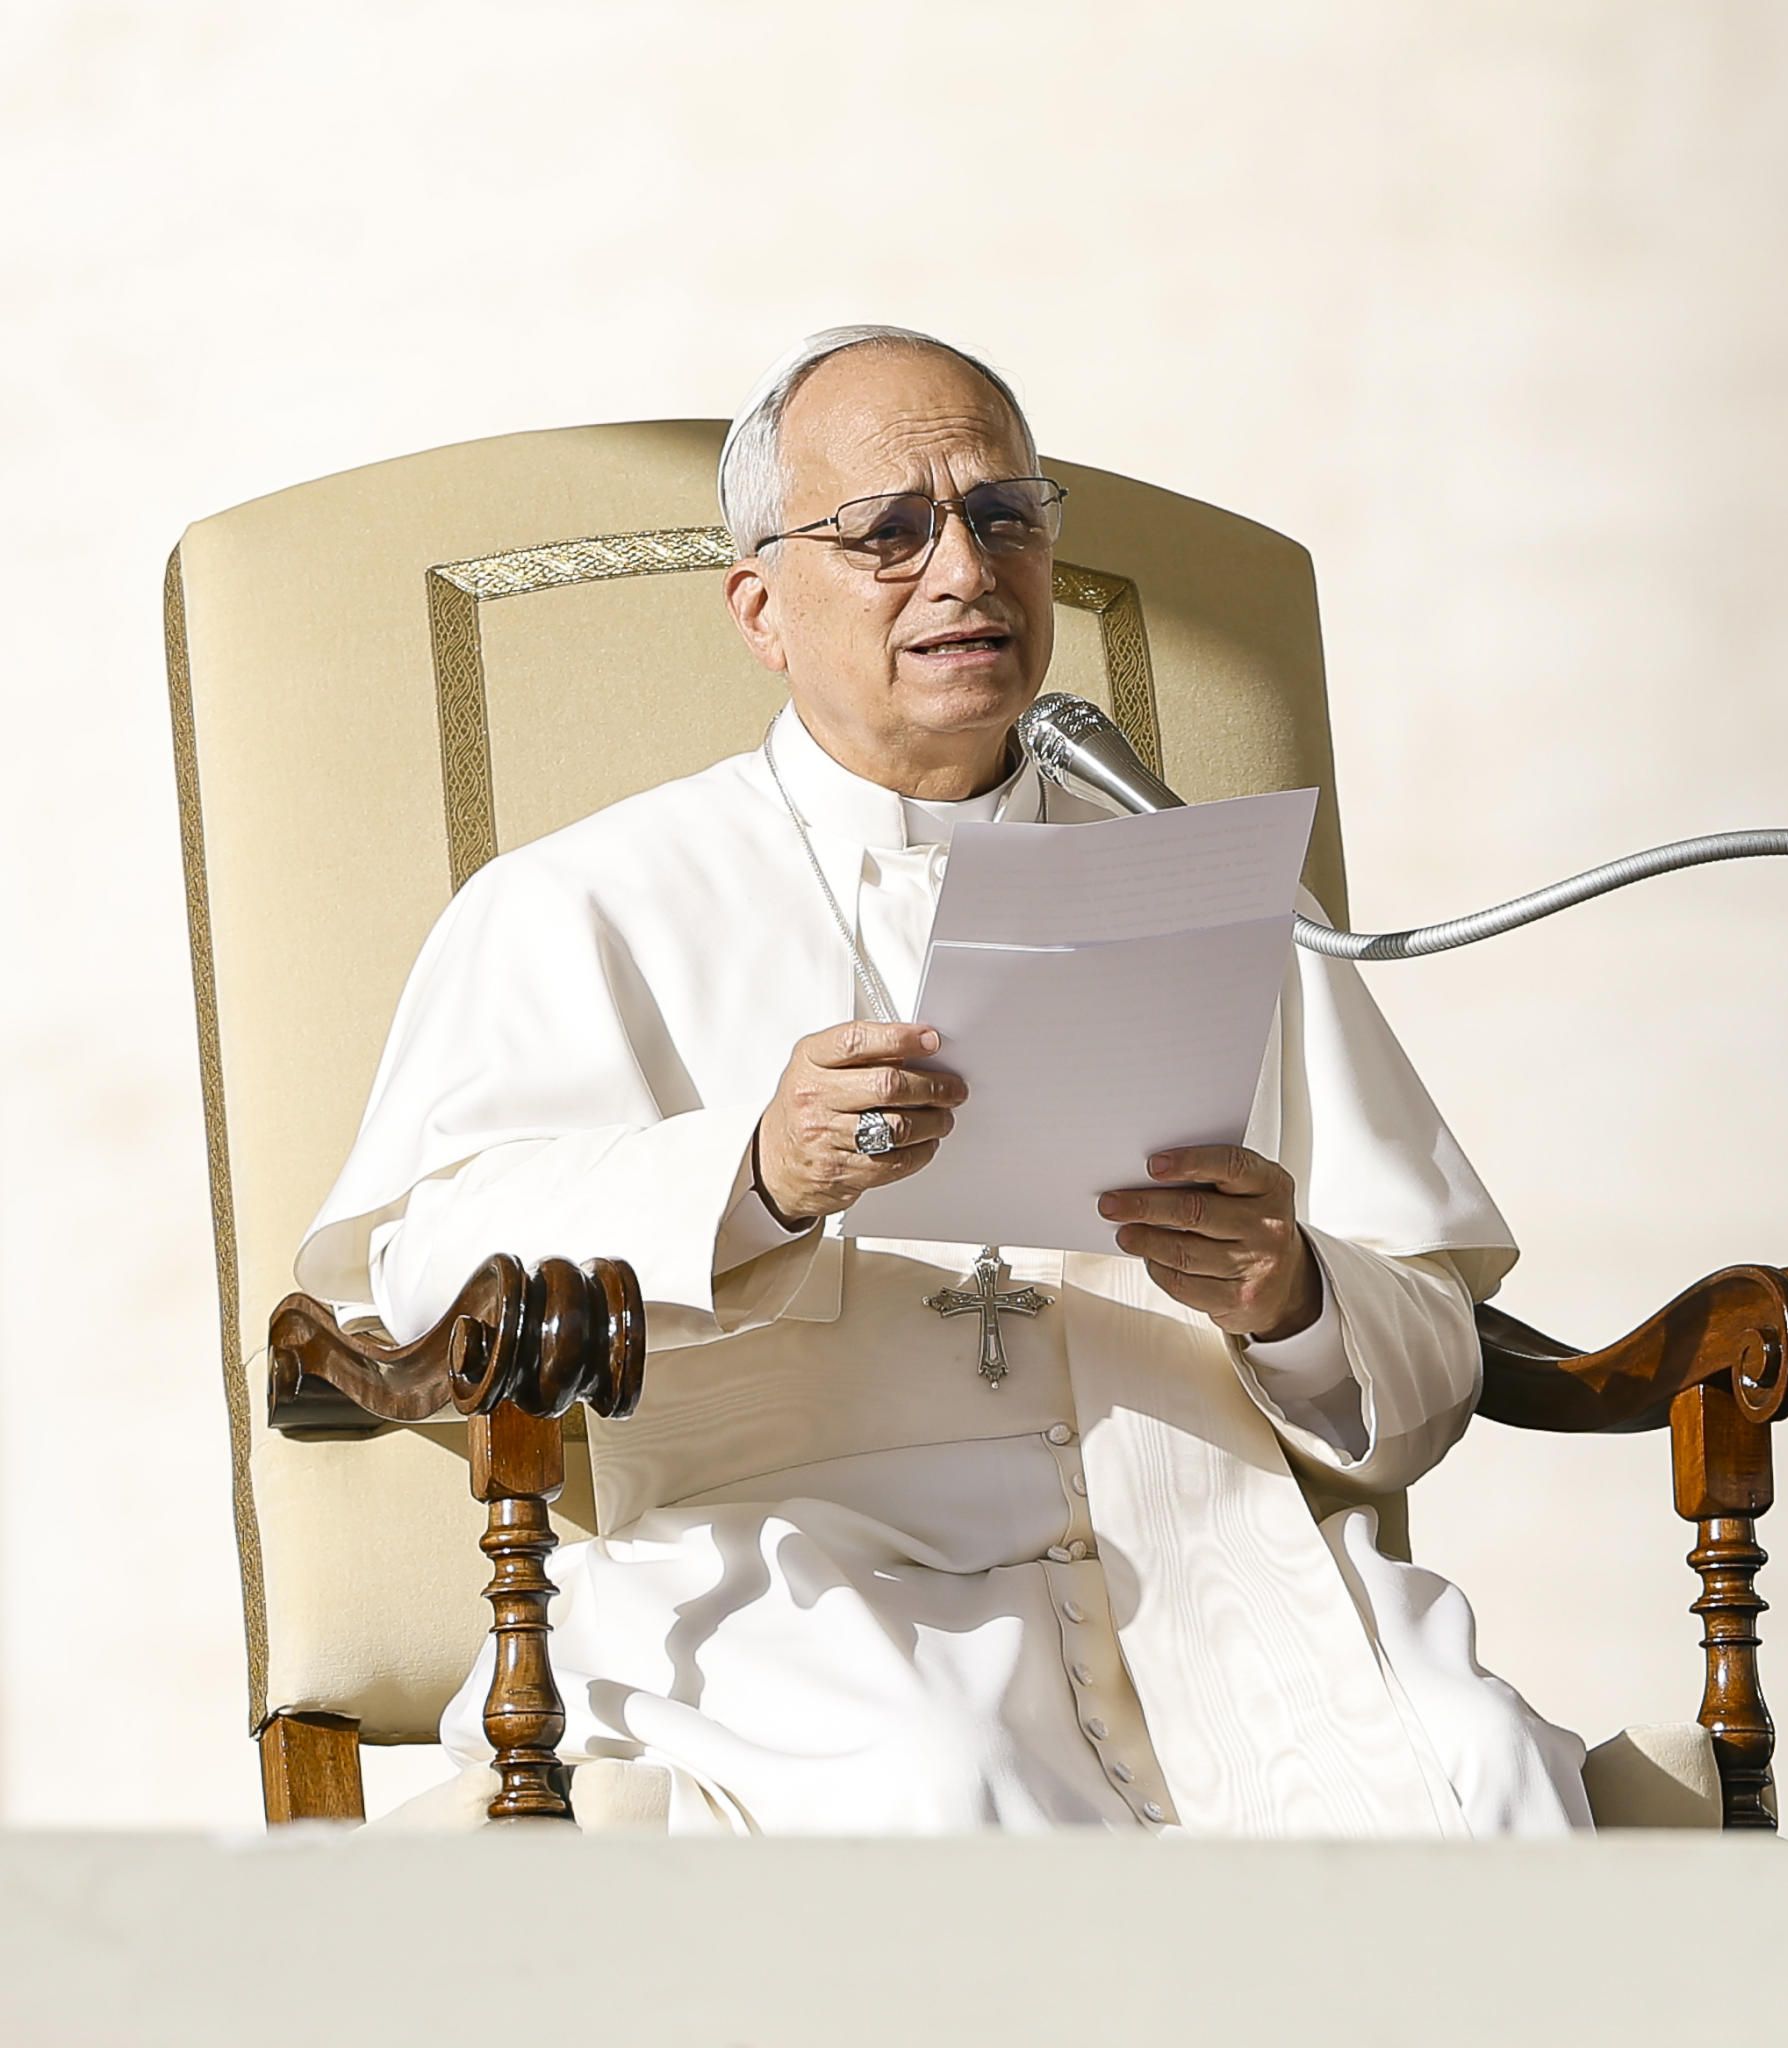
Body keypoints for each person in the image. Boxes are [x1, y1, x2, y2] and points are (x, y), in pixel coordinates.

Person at [301, 325, 1588, 1836]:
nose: (965, 570)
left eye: (1003, 516)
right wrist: (754, 1179)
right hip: (792, 1579)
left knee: (1478, 1765)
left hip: (1208, 1555)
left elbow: (1432, 1360)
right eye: (889, 533)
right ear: (761, 607)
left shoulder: (1209, 885)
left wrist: (1290, 1292)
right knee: (947, 1788)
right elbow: (419, 1282)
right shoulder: (581, 905)